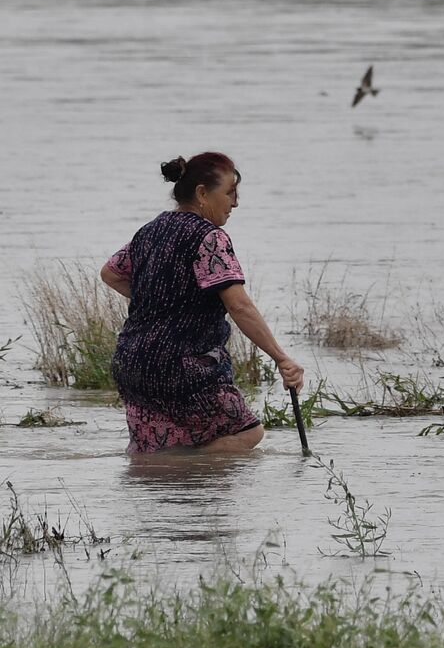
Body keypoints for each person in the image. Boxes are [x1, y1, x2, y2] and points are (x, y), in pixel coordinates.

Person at [100, 152, 304, 454]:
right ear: (201, 194)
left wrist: (163, 302)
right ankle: (179, 470)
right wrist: (281, 358)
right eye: (229, 193)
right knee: (247, 433)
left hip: (133, 362)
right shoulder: (210, 237)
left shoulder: (149, 231)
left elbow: (111, 273)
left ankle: (152, 487)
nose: (235, 203)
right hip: (181, 365)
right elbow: (240, 307)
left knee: (153, 446)